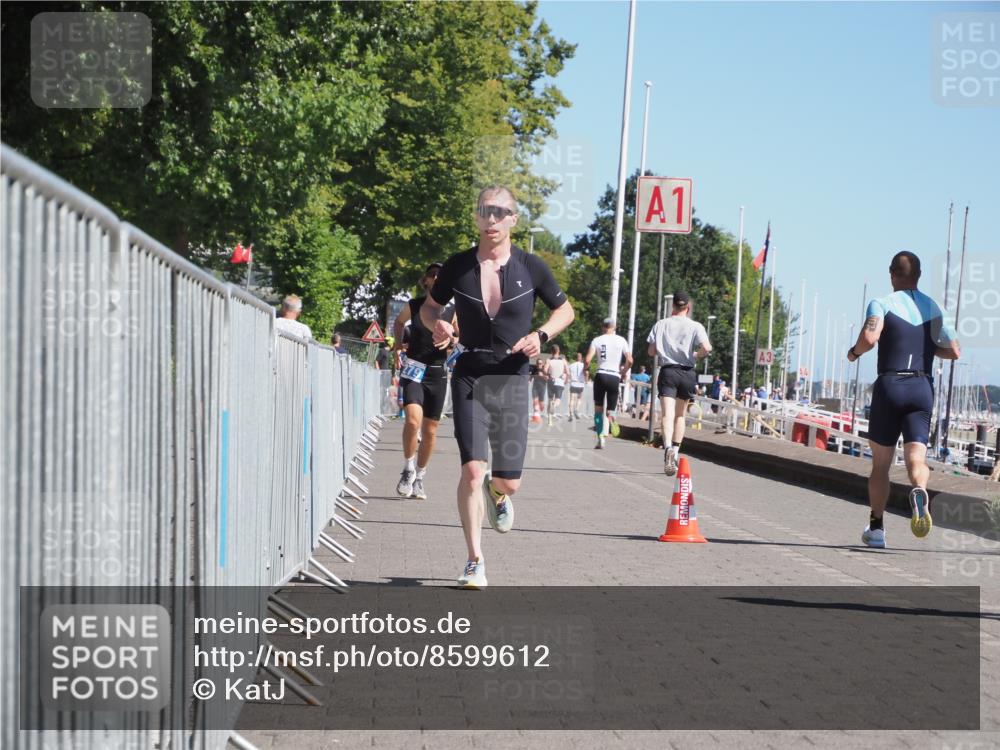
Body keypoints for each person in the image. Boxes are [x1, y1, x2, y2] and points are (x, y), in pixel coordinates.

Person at [419, 185, 574, 589]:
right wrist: (433, 322)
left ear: (513, 220)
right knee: (471, 470)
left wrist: (541, 335)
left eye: (500, 212)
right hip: (470, 372)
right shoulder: (457, 266)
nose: (492, 219)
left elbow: (565, 310)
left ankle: (498, 492)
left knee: (509, 481)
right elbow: (429, 308)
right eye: (485, 211)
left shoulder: (531, 266)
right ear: (476, 216)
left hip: (513, 377)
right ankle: (474, 561)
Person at [847, 251, 960, 548]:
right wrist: (926, 347)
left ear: (892, 273)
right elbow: (954, 351)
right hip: (921, 387)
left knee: (881, 465)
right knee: (916, 460)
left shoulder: (881, 303)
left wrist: (854, 352)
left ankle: (877, 528)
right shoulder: (934, 308)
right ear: (919, 275)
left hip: (891, 384)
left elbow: (870, 338)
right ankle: (919, 489)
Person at [391, 263, 457, 501]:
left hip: (437, 372)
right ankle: (408, 469)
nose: (437, 279)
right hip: (413, 369)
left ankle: (420, 477)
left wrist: (452, 343)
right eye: (433, 275)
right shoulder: (415, 305)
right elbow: (399, 323)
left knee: (430, 430)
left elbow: (460, 338)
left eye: (441, 276)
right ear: (426, 280)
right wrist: (398, 346)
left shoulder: (452, 311)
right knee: (412, 420)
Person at [646, 291, 711, 476]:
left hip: (668, 371)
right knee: (680, 416)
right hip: (687, 373)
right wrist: (696, 355)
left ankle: (666, 448)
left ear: (673, 306)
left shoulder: (661, 324)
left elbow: (651, 351)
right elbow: (706, 348)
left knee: (667, 414)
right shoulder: (695, 325)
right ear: (687, 308)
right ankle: (675, 451)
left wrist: (664, 348)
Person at [585, 318, 632, 449]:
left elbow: (588, 359)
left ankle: (600, 437)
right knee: (610, 409)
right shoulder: (621, 340)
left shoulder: (597, 340)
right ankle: (612, 418)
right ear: (614, 327)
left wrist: (585, 369)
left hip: (600, 374)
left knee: (598, 409)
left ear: (602, 327)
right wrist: (624, 371)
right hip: (614, 376)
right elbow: (630, 359)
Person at [545, 344, 569, 426]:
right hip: (559, 381)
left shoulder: (549, 360)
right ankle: (554, 406)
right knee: (558, 400)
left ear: (551, 352)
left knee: (550, 400)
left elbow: (545, 370)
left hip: (551, 380)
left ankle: (550, 421)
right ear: (558, 351)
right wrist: (565, 379)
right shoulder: (563, 360)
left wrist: (548, 374)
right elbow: (568, 372)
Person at [567, 351, 587, 421]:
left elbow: (568, 374)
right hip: (581, 384)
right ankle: (576, 409)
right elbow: (586, 373)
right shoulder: (583, 365)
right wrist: (586, 380)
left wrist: (568, 379)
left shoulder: (571, 365)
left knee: (572, 399)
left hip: (573, 383)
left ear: (575, 358)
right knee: (579, 399)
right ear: (581, 358)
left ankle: (571, 414)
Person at [530, 357, 548, 424]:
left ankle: (541, 407)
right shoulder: (534, 369)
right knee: (535, 401)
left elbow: (547, 379)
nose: (539, 365)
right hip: (535, 387)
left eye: (540, 363)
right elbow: (530, 378)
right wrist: (528, 381)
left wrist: (542, 376)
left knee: (541, 404)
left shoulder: (544, 370)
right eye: (538, 363)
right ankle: (536, 416)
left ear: (542, 364)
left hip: (542, 388)